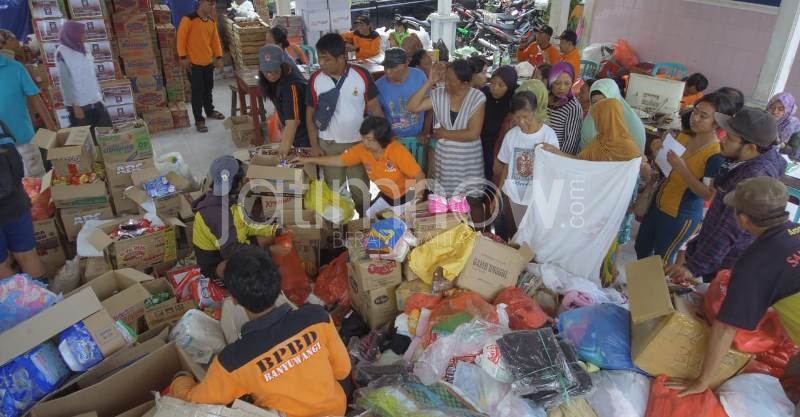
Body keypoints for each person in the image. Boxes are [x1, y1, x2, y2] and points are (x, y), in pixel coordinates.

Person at [169, 247, 351, 417]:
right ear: (278, 284)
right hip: (335, 410)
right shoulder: (316, 317)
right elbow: (343, 370)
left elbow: (197, 401)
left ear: (234, 299)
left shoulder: (233, 360)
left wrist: (180, 379)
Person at [667, 177, 800, 397]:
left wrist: (703, 380)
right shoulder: (795, 231)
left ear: (744, 219)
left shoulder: (756, 263)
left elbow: (725, 328)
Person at [665, 108, 788, 282]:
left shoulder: (752, 178)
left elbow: (729, 228)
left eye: (730, 138)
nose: (722, 139)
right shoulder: (755, 160)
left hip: (726, 263)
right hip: (719, 255)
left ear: (751, 148)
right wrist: (694, 249)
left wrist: (693, 267)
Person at [635, 93, 736, 264]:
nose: (695, 118)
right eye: (695, 111)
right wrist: (656, 151)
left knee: (662, 261)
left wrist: (682, 168)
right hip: (657, 204)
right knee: (641, 248)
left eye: (703, 116)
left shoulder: (715, 155)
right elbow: (666, 170)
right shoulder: (684, 137)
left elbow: (707, 194)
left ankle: (655, 291)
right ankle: (639, 289)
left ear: (717, 123)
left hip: (680, 215)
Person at [306, 33, 384, 216]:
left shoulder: (361, 75)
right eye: (320, 59)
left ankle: (364, 220)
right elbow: (309, 115)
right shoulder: (316, 79)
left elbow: (376, 110)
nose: (322, 64)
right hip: (328, 144)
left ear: (341, 57)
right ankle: (340, 228)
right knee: (335, 190)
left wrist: (381, 141)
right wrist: (314, 144)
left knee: (360, 188)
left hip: (358, 144)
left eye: (326, 59)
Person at [295, 116, 426, 218]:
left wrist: (416, 201)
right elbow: (339, 160)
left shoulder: (397, 151)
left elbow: (419, 176)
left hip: (409, 196)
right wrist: (307, 159)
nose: (364, 143)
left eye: (369, 139)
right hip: (388, 196)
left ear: (381, 139)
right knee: (367, 216)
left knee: (402, 224)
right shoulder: (362, 150)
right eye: (363, 138)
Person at [407, 59, 487, 222]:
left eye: (451, 80)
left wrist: (444, 133)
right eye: (445, 78)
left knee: (473, 202)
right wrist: (429, 82)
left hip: (468, 163)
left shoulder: (477, 98)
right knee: (448, 207)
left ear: (465, 83)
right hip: (446, 164)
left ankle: (480, 236)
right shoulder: (439, 94)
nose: (446, 83)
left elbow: (473, 133)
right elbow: (412, 107)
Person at [192, 155, 284, 287]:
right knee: (260, 273)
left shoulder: (228, 199)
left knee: (268, 240)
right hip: (217, 263)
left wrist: (276, 230)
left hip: (233, 243)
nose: (247, 179)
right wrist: (270, 250)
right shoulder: (217, 214)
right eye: (243, 178)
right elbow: (230, 250)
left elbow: (245, 225)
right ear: (237, 184)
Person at [494, 91, 559, 240]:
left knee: (532, 242)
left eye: (526, 116)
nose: (521, 121)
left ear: (534, 111)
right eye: (517, 117)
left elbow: (554, 169)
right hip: (513, 197)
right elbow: (505, 167)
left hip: (536, 200)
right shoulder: (511, 135)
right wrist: (497, 195)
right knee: (513, 238)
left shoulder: (548, 136)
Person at [0, 120, 46, 281]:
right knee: (27, 254)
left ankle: (21, 303)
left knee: (2, 265)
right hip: (15, 201)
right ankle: (46, 302)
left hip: (13, 199)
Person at [0, 53, 55, 177]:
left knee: (36, 185)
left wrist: (52, 128)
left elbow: (36, 99)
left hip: (23, 142)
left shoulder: (15, 68)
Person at [375, 48, 429, 167]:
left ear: (406, 64)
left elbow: (430, 107)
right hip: (393, 142)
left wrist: (425, 132)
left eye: (393, 68)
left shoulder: (419, 76)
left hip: (418, 140)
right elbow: (377, 116)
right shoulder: (379, 86)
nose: (388, 72)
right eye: (386, 67)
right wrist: (388, 136)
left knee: (417, 177)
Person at [177, 0, 225, 132]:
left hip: (208, 63)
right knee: (197, 92)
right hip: (194, 64)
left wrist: (219, 57)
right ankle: (199, 119)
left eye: (213, 4)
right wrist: (183, 57)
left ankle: (210, 111)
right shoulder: (188, 19)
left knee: (208, 89)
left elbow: (215, 41)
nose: (212, 7)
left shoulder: (210, 22)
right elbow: (181, 39)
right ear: (201, 3)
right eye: (210, 4)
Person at [56, 21, 112, 132]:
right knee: (87, 140)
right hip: (80, 107)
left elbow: (90, 75)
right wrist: (75, 106)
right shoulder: (62, 53)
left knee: (107, 135)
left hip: (96, 101)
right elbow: (65, 82)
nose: (84, 36)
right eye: (82, 33)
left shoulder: (85, 48)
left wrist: (99, 97)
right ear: (73, 34)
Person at [258, 45, 309, 156]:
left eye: (274, 70)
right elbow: (279, 101)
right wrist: (281, 121)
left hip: (305, 133)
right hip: (292, 130)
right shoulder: (269, 81)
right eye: (266, 72)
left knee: (306, 165)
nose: (270, 75)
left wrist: (281, 154)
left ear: (282, 66)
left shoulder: (292, 85)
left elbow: (293, 122)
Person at [579, 78, 646, 153]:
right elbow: (584, 156)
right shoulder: (590, 122)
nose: (599, 107)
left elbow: (636, 160)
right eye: (594, 102)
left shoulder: (633, 125)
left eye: (605, 101)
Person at [480, 65, 518, 181]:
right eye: (493, 83)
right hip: (480, 148)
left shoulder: (514, 103)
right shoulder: (484, 95)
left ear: (510, 86)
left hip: (500, 152)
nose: (495, 88)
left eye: (501, 85)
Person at [546, 62, 582, 155]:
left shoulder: (573, 108)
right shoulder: (544, 97)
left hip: (557, 156)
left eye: (567, 83)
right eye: (557, 83)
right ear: (550, 81)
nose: (562, 88)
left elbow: (570, 142)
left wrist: (557, 158)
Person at [767, 92, 800, 159]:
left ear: (788, 110)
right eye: (772, 107)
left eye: (781, 109)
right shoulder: (762, 119)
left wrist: (780, 144)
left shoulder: (793, 125)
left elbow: (793, 151)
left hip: (779, 159)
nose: (775, 111)